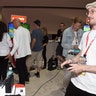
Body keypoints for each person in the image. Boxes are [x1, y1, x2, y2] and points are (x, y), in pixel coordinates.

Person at [61, 1, 96, 96]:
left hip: (91, 89)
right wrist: (72, 60)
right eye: (88, 12)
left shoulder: (81, 32)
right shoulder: (86, 34)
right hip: (75, 82)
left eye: (92, 11)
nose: (89, 15)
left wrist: (83, 68)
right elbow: (81, 53)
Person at [61, 17, 84, 92]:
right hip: (69, 52)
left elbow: (83, 43)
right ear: (73, 23)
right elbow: (63, 44)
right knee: (68, 72)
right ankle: (64, 87)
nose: (77, 27)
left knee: (76, 72)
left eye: (79, 26)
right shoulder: (67, 31)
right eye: (76, 25)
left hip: (78, 53)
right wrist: (73, 46)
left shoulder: (81, 32)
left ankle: (73, 87)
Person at [6, 19, 31, 85]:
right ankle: (26, 79)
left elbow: (16, 45)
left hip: (19, 53)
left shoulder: (16, 32)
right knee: (23, 65)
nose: (13, 25)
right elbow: (29, 41)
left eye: (13, 23)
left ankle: (22, 83)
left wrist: (11, 53)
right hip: (26, 52)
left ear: (17, 23)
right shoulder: (27, 30)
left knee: (20, 69)